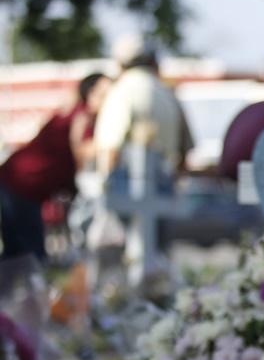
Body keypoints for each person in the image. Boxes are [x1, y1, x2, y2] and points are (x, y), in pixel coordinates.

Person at [0, 73, 111, 260]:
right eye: (104, 94)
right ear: (90, 94)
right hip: (21, 184)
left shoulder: (76, 113)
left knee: (19, 254)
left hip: (21, 184)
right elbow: (81, 150)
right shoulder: (81, 117)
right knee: (29, 255)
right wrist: (115, 140)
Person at [94, 36, 192, 178]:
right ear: (153, 61)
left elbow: (111, 149)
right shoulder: (168, 94)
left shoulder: (121, 92)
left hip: (128, 187)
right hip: (165, 185)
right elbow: (184, 151)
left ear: (120, 64)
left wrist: (107, 184)